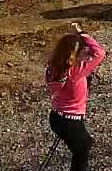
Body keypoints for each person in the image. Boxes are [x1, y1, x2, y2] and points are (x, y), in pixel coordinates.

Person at [44, 23, 105, 171]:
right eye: (82, 50)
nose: (86, 51)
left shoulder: (53, 68)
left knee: (82, 145)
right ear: (73, 56)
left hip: (56, 118)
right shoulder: (76, 73)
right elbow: (99, 52)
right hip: (71, 121)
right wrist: (82, 33)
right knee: (84, 147)